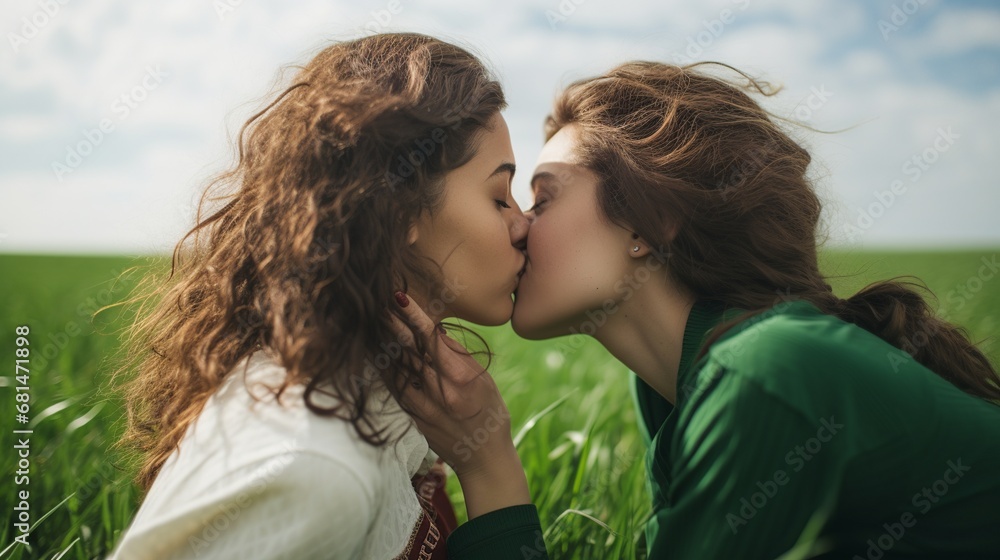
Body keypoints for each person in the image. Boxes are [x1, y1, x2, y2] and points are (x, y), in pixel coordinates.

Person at [394, 61, 1000, 559]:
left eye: (542, 199)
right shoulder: (672, 386)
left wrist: (490, 468)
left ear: (650, 223)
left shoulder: (763, 374)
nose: (520, 225)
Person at [108, 32, 531, 559]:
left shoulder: (401, 389)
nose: (524, 224)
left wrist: (489, 462)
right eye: (500, 197)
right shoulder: (311, 470)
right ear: (398, 213)